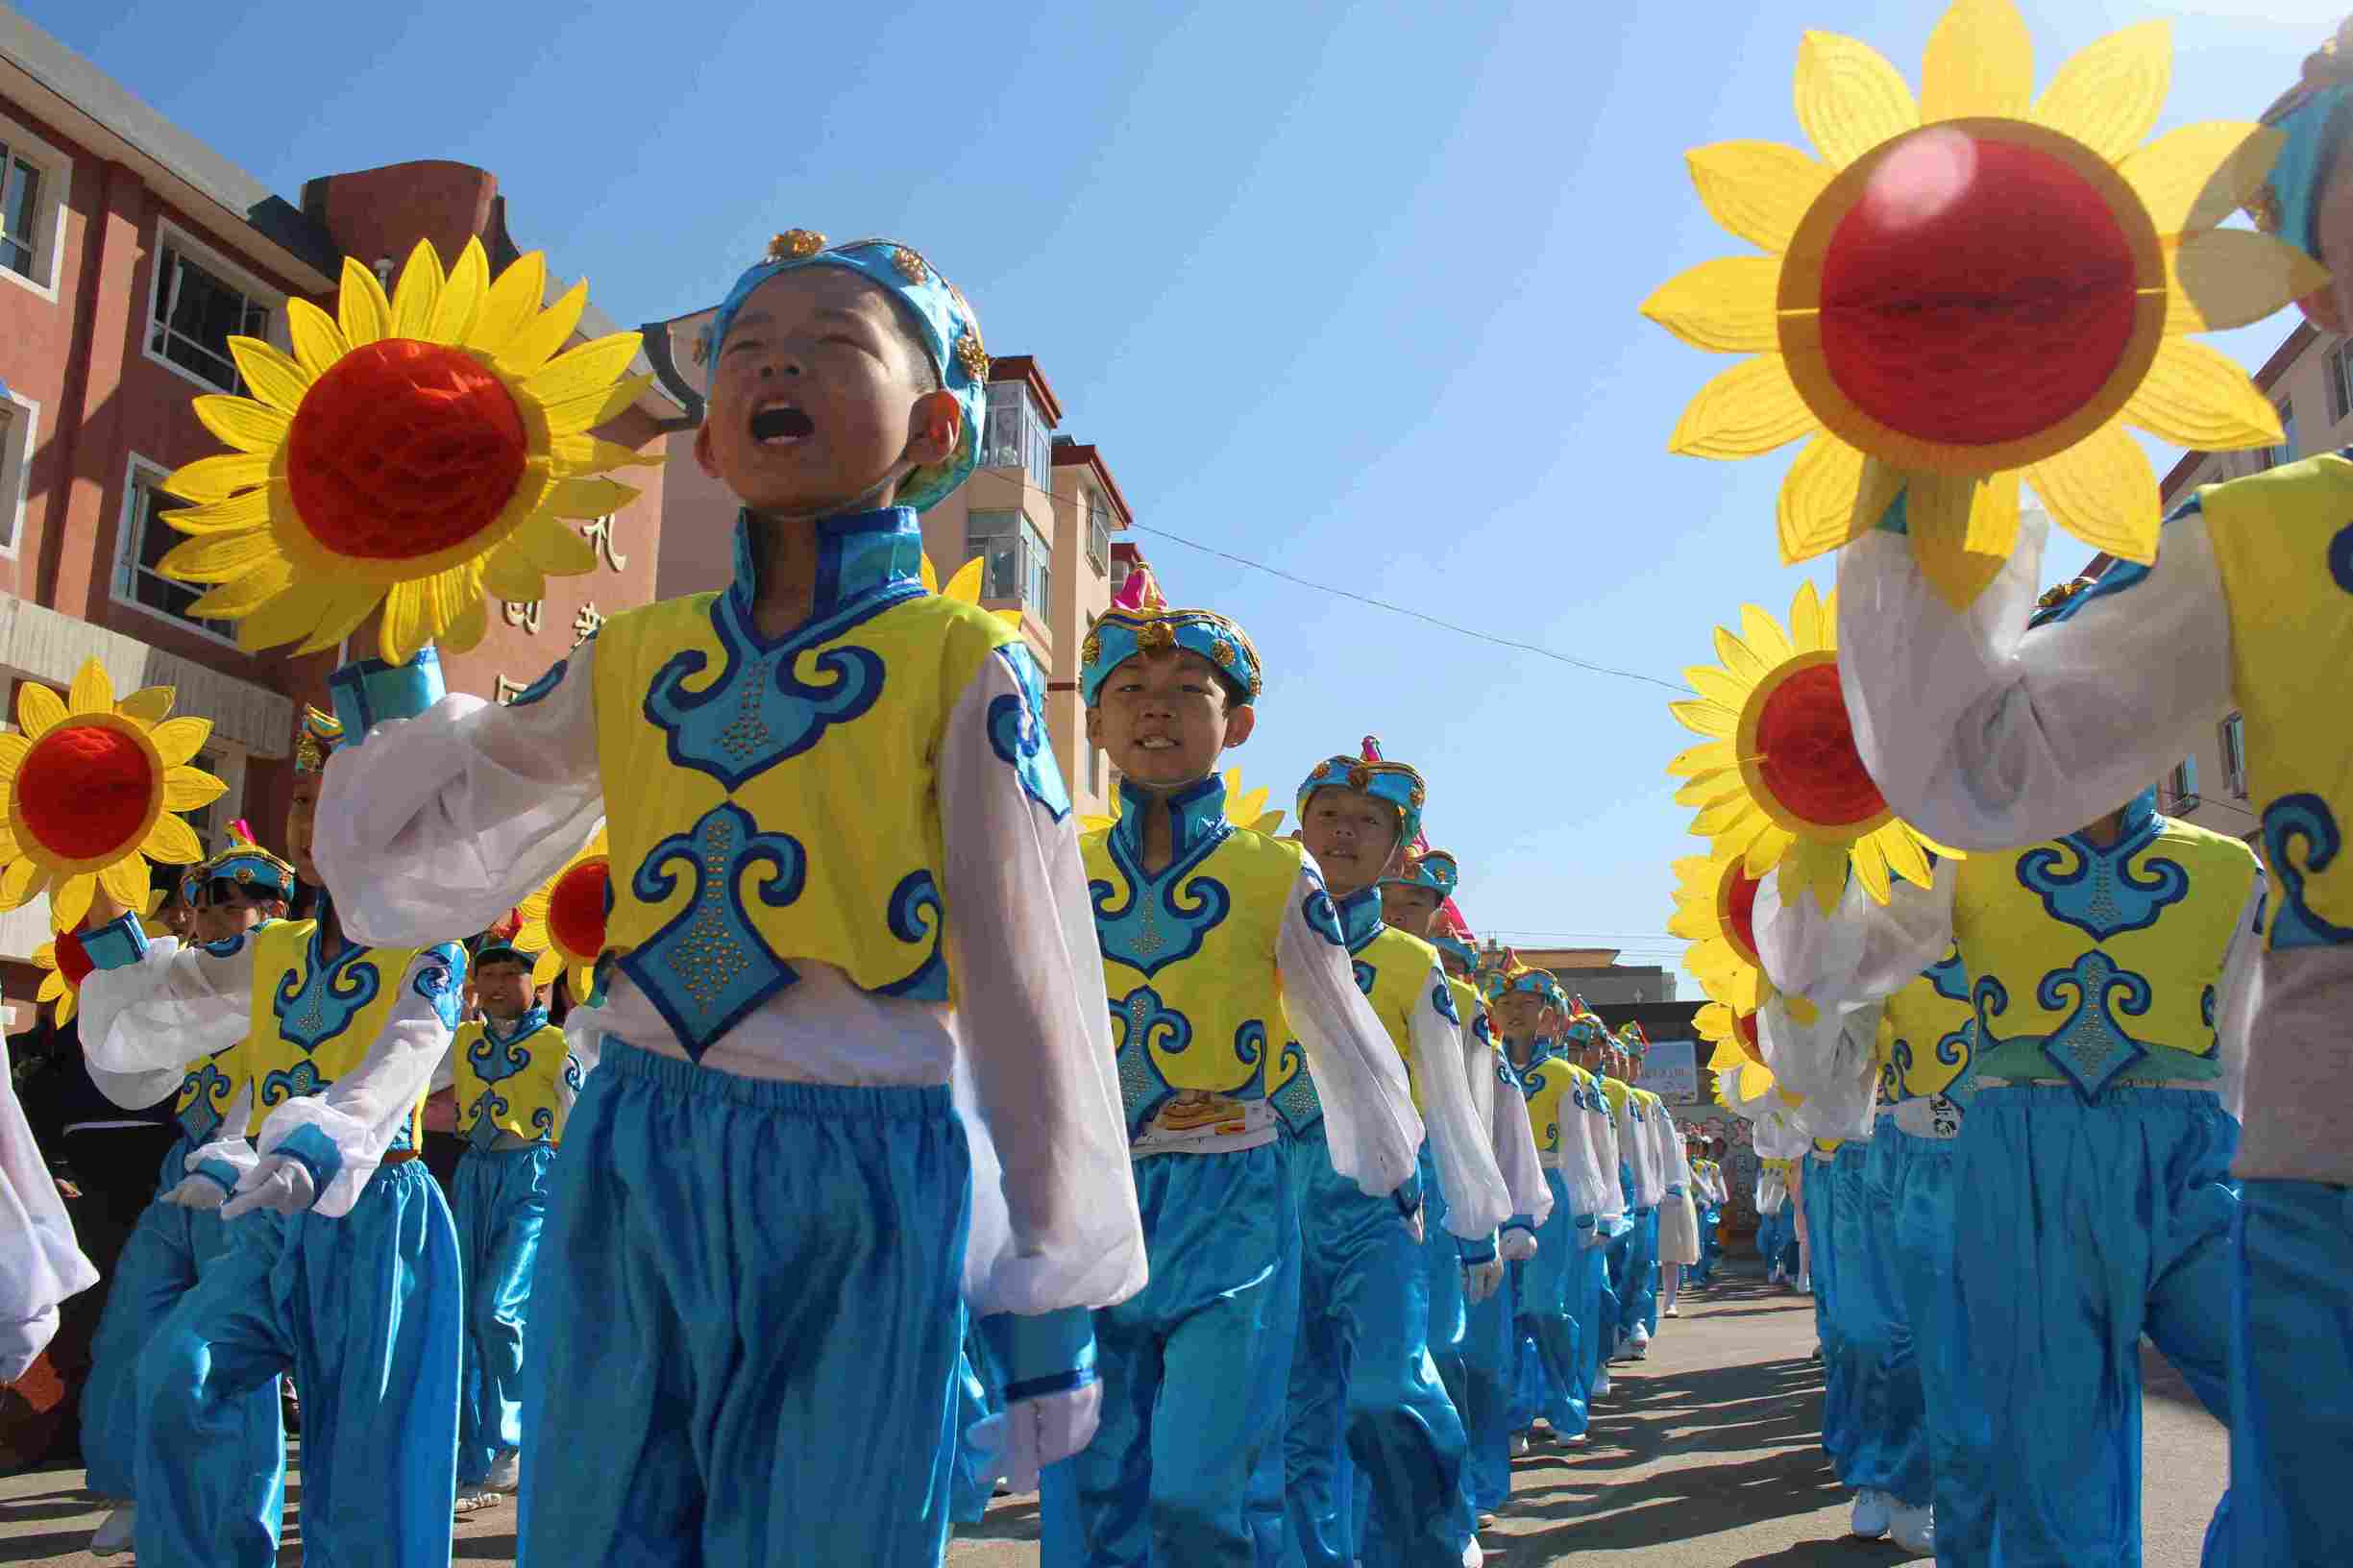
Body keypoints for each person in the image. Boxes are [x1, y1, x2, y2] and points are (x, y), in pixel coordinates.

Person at [309, 233, 1146, 1565]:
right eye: (749, 350)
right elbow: (427, 851)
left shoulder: (960, 659)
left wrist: (1050, 1280)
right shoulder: (633, 650)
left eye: (829, 345)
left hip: (864, 1167)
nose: (777, 367)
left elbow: (1030, 969)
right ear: (707, 446)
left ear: (934, 425)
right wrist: (383, 621)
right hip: (632, 1149)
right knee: (594, 1532)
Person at [1817, 29, 2353, 1562]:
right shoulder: (2261, 545)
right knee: (2044, 1435)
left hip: (2195, 1148)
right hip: (2086, 1148)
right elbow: (1967, 770)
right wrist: (1936, 436)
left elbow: (2233, 1027)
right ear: (2314, 282)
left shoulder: (2213, 869)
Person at [1758, 779, 2258, 1565]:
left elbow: (2237, 1047)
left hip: (2188, 1166)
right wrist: (1820, 839)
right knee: (2054, 1463)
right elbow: (1830, 974)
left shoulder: (2232, 867)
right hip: (2020, 1173)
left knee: (2300, 1396)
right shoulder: (1962, 860)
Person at [1052, 620, 1419, 1568]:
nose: (1156, 710)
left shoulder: (1271, 868)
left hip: (1232, 1200)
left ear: (1240, 724)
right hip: (1095, 1196)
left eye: (1188, 692)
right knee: (1090, 1478)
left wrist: (1389, 1163)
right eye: (1130, 689)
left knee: (1201, 1486)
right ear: (1092, 721)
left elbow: (1340, 1028)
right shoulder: (1061, 863)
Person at [69, 705, 467, 1568]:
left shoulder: (431, 946)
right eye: (301, 802)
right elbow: (170, 994)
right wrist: (90, 854)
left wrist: (320, 1141)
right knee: (181, 1368)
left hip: (376, 1218)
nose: (311, 822)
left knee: (366, 1452)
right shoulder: (274, 946)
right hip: (266, 1220)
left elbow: (408, 1051)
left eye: (334, 801)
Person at [1278, 755, 1509, 1568]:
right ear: (1298, 825)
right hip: (1263, 1203)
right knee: (1293, 1415)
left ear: (1397, 848)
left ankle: (1432, 1540)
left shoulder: (1413, 966)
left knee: (1385, 1391)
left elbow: (1450, 1100)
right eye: (1328, 812)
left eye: (1367, 820)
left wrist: (1479, 1222)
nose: (1343, 830)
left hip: (1376, 1210)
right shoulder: (1253, 932)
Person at [78, 835, 295, 1562]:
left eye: (254, 900)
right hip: (184, 1173)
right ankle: (142, 1488)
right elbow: (121, 958)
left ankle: (238, 1524)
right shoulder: (183, 978)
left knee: (225, 1356)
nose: (234, 915)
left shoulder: (293, 972)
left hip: (257, 1171)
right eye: (216, 901)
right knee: (132, 1328)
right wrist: (84, 851)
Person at [1378, 852, 1550, 1532]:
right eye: (1390, 898)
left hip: (1437, 1186)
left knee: (1448, 1352)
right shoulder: (1309, 959)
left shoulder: (1466, 1009)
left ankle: (1454, 1497)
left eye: (1414, 903)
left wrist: (1501, 1215)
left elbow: (1487, 1119)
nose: (1398, 912)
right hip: (1332, 1180)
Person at [441, 937, 584, 1510]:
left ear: (537, 985)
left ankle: (516, 1438)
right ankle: (475, 1456)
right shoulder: (462, 1041)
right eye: (489, 974)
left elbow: (577, 1125)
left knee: (498, 1310)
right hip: (474, 1179)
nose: (498, 985)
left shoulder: (558, 1045)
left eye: (510, 974)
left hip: (534, 1180)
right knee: (466, 1318)